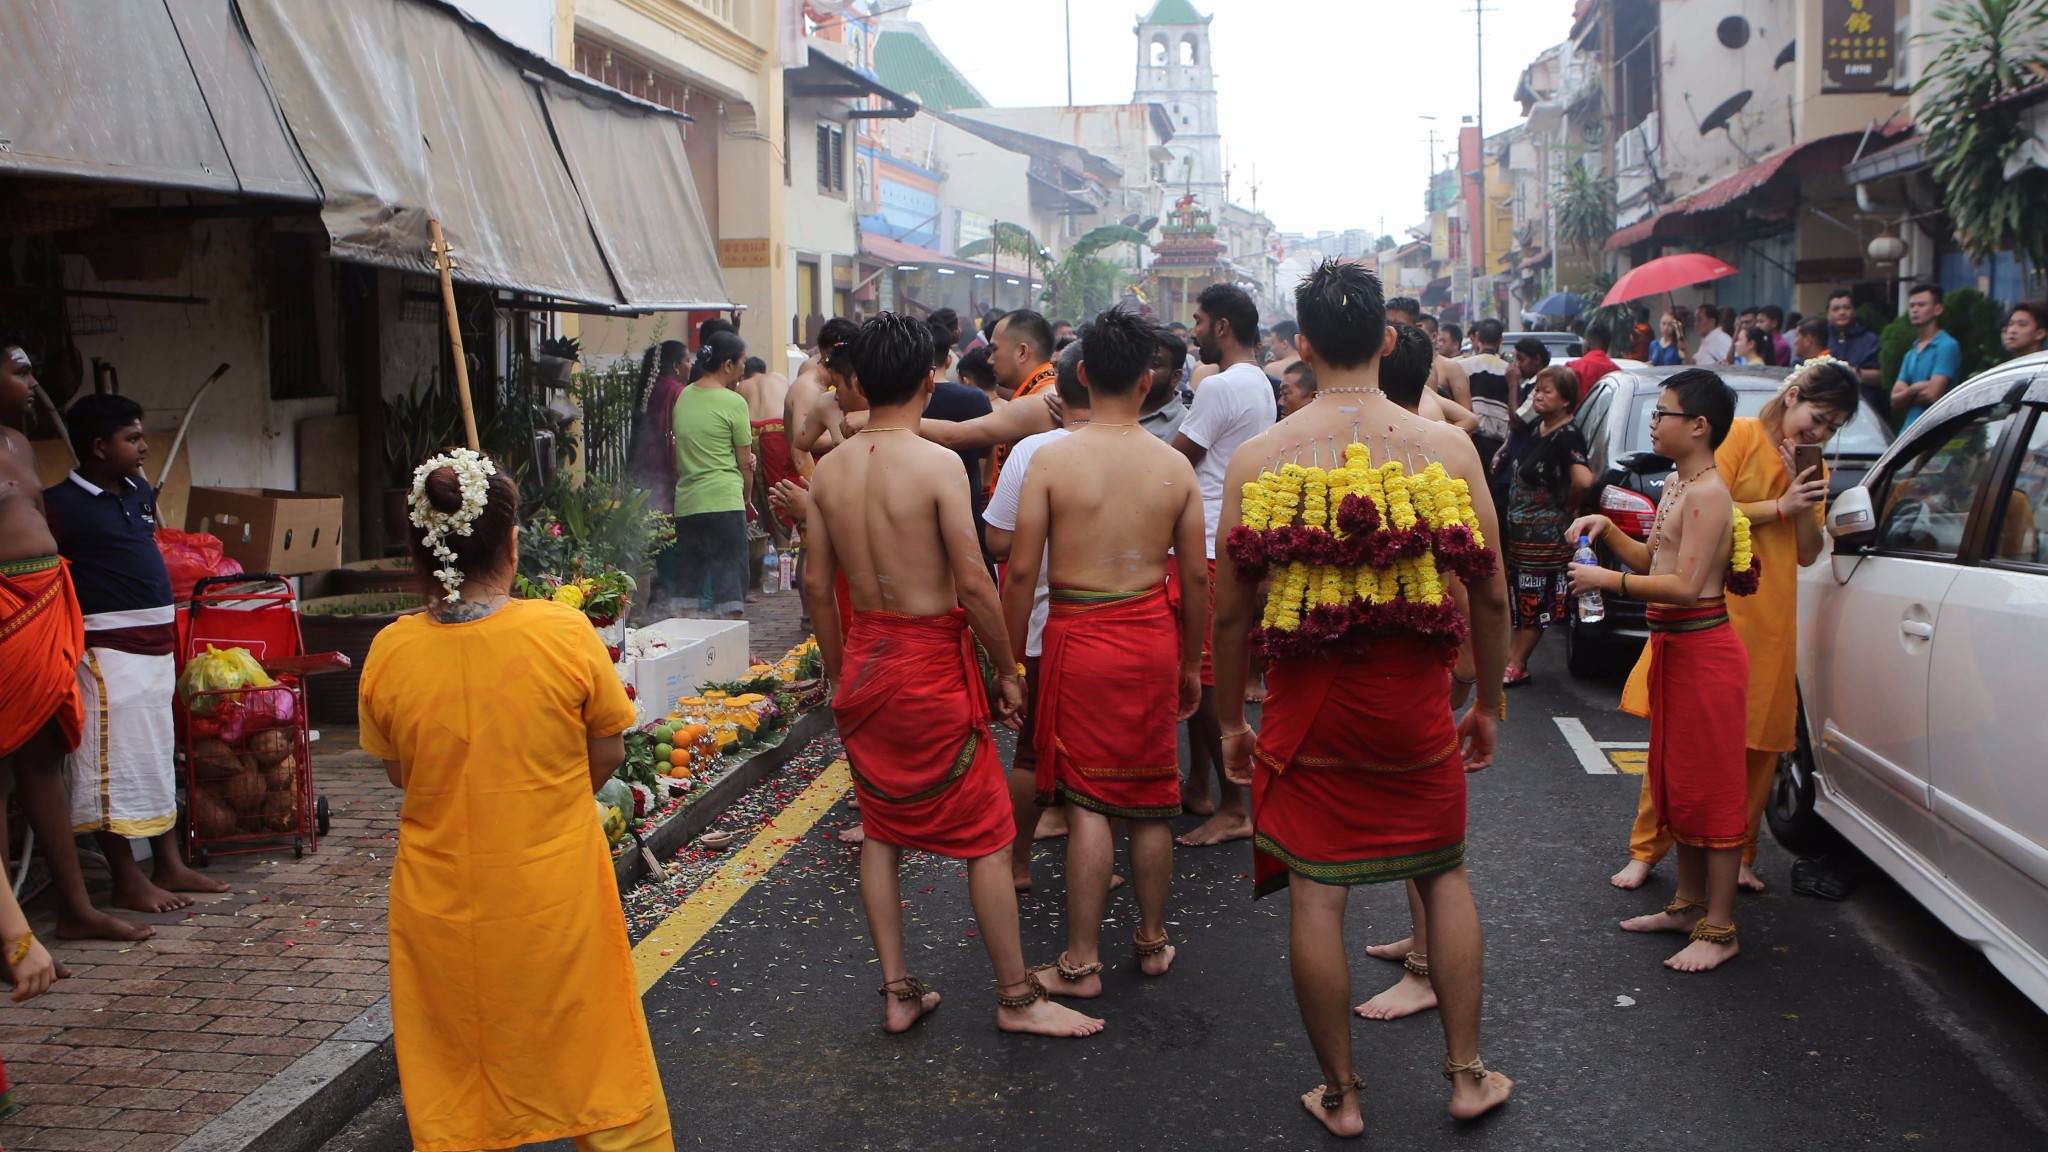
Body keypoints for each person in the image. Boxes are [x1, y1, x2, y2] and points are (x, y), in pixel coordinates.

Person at [1213, 262, 1512, 1133]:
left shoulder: (1263, 455)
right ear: (1387, 339)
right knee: (1443, 874)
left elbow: (1232, 615)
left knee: (1317, 893)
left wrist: (1233, 717)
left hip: (1308, 714)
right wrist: (1488, 700)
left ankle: (1341, 1097)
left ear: (1300, 347)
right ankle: (1466, 1077)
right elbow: (1490, 593)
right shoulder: (1448, 449)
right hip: (1413, 705)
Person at [799, 312, 1105, 1040]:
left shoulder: (830, 470)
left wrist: (843, 674)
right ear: (929, 381)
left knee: (881, 828)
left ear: (862, 383)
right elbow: (974, 581)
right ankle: (1015, 996)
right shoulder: (935, 464)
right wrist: (1006, 667)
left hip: (868, 660)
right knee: (988, 835)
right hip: (929, 663)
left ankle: (899, 991)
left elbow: (815, 586)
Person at [359, 449, 675, 1151]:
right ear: (511, 542)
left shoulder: (388, 651)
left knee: (457, 1077)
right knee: (595, 1058)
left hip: (439, 899)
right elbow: (607, 753)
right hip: (552, 890)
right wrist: (547, 792)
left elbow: (400, 774)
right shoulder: (561, 633)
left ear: (419, 548)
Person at [1003, 308, 1206, 1000]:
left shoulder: (1054, 459)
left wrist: (1007, 665)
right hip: (1150, 634)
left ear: (1083, 375)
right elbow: (1198, 576)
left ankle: (1081, 962)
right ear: (1149, 380)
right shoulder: (1173, 466)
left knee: (1089, 801)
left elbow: (1020, 574)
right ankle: (1151, 942)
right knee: (1152, 793)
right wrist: (1189, 662)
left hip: (1076, 636)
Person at [1612, 360, 1857, 894]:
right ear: (1793, 396)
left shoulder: (1811, 468)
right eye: (1819, 416)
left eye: (1833, 428)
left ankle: (1739, 852)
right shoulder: (1740, 436)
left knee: (1757, 742)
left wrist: (1801, 494)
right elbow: (1711, 506)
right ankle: (1648, 849)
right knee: (1676, 739)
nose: (1820, 432)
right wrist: (1780, 504)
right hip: (1712, 607)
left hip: (1769, 612)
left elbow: (1810, 553)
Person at [1568, 369, 1748, 973]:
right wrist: (1608, 530)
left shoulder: (1708, 494)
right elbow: (1654, 556)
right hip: (1676, 653)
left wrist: (1605, 579)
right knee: (1678, 784)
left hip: (1704, 655)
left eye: (1664, 412)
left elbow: (1684, 585)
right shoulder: (1677, 481)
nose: (1654, 420)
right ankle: (1688, 903)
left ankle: (1720, 929)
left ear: (1698, 426)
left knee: (1711, 790)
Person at [44, 394, 229, 917]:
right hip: (106, 652)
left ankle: (167, 862)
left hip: (155, 649)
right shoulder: (59, 505)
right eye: (132, 438)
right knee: (110, 765)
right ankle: (126, 879)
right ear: (99, 447)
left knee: (154, 755)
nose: (145, 446)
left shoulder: (138, 490)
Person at [1350, 324, 1484, 1023]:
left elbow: (1468, 569)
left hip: (1426, 649)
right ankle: (1421, 939)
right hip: (1417, 652)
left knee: (1429, 832)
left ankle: (1428, 966)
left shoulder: (1421, 440)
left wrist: (1469, 669)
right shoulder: (1414, 432)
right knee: (1419, 824)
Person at [0, 334, 151, 949]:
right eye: (19, 370)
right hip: (6, 610)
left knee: (43, 760)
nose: (33, 383)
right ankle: (10, 937)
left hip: (44, 602)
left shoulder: (16, 444)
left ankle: (75, 907)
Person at [1171, 282, 1276, 848]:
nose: (1193, 331)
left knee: (1206, 678)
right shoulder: (1258, 381)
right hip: (1233, 537)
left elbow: (1176, 460)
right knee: (1205, 671)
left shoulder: (1218, 386)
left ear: (1223, 327)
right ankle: (1201, 785)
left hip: (1210, 545)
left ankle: (1235, 805)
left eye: (1199, 319)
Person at [984, 342, 1089, 890]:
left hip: (1044, 626)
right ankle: (1101, 873)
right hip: (1119, 629)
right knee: (1104, 757)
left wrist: (1006, 663)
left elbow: (1000, 545)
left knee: (1030, 752)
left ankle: (1018, 863)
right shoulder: (1148, 451)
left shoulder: (1034, 452)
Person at [1499, 367, 1593, 688]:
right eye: (1536, 389)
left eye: (1547, 391)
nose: (1537, 395)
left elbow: (1583, 480)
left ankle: (1517, 663)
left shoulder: (1567, 435)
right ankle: (1513, 657)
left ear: (1566, 400)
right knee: (1524, 598)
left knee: (1535, 599)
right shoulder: (1540, 427)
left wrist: (1566, 507)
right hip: (1524, 540)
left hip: (1547, 540)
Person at [671, 331, 754, 619]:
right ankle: (728, 654)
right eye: (742, 361)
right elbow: (745, 462)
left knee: (687, 586)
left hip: (688, 503)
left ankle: (683, 646)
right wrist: (747, 495)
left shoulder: (683, 398)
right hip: (724, 502)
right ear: (728, 365)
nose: (746, 367)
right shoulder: (734, 402)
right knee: (729, 586)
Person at [630, 340, 692, 613]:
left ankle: (662, 593)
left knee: (654, 531)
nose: (691, 365)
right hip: (666, 472)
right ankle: (671, 593)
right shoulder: (678, 392)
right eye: (687, 360)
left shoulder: (653, 388)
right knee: (669, 534)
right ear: (677, 366)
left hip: (647, 469)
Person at [921, 319, 996, 540]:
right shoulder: (975, 397)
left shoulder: (907, 401)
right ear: (948, 359)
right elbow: (984, 451)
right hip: (965, 493)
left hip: (915, 499)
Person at [736, 356, 796, 547]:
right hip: (777, 430)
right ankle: (783, 556)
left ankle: (758, 553)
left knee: (754, 496)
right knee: (778, 495)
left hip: (749, 430)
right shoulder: (779, 378)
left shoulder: (741, 386)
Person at [1893, 283, 1962, 430]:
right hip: (1908, 431)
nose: (1915, 310)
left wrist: (1906, 393)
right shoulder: (1911, 353)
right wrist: (1915, 388)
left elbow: (1932, 394)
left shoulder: (1946, 345)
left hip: (1935, 429)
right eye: (1912, 306)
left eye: (1921, 305)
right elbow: (1894, 400)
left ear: (1938, 309)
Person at [1461, 319, 1514, 502]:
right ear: (1501, 340)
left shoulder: (1462, 366)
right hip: (1498, 440)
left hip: (1468, 436)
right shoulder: (1509, 370)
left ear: (1477, 337)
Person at [1389, 297, 1472, 410]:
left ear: (1417, 328)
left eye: (1400, 326)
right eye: (1388, 324)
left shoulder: (1445, 368)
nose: (1392, 331)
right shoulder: (1376, 361)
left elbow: (1467, 415)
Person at [1825, 289, 1885, 413]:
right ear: (1828, 314)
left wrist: (1852, 372)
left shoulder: (1870, 340)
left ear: (1854, 311)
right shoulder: (1821, 338)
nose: (1842, 312)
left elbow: (1880, 377)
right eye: (1836, 309)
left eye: (1846, 308)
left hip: (1863, 407)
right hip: (1827, 406)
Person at [1139, 328, 1192, 442]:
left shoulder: (1185, 428)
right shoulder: (1113, 411)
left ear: (1175, 376)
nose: (1144, 370)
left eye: (1155, 364)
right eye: (1140, 362)